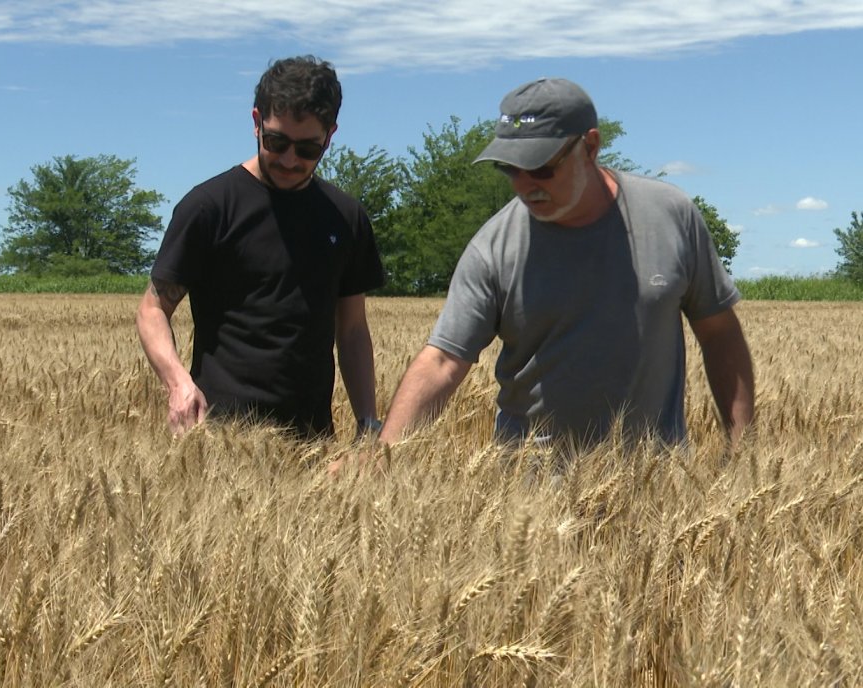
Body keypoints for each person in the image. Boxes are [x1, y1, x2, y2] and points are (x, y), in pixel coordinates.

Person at [375, 77, 754, 455]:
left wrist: (741, 449)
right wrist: (383, 453)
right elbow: (442, 360)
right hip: (533, 500)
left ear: (590, 146)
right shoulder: (492, 249)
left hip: (658, 496)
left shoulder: (672, 216)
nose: (524, 185)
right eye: (509, 168)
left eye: (540, 167)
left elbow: (719, 334)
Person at [136, 55, 384, 440]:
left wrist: (367, 421)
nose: (289, 159)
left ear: (330, 136)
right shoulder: (209, 208)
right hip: (219, 440)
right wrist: (178, 384)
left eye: (307, 149)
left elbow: (352, 330)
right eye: (276, 141)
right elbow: (153, 309)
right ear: (255, 122)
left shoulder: (346, 218)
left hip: (313, 446)